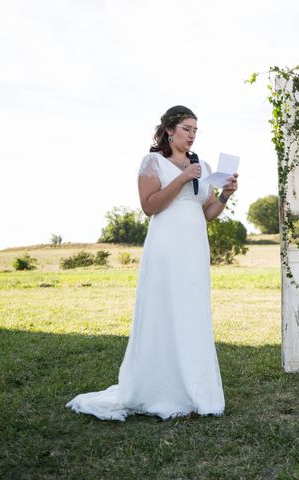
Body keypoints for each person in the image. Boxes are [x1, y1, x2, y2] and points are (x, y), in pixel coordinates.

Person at [66, 105, 238, 421]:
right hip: (165, 247)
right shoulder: (153, 162)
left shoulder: (204, 165)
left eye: (196, 130)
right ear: (170, 130)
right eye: (187, 128)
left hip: (194, 249)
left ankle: (194, 387)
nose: (192, 135)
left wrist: (225, 195)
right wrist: (183, 177)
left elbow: (207, 212)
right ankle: (159, 387)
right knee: (164, 308)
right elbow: (150, 206)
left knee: (191, 311)